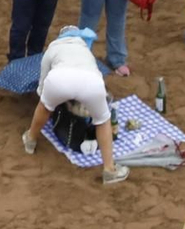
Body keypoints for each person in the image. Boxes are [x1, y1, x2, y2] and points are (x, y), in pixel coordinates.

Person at [20, 27, 128, 186]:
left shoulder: (53, 48)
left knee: (44, 107)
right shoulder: (85, 49)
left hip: (58, 79)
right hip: (91, 83)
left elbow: (42, 85)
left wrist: (50, 98)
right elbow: (95, 75)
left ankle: (30, 139)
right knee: (103, 121)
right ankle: (109, 169)